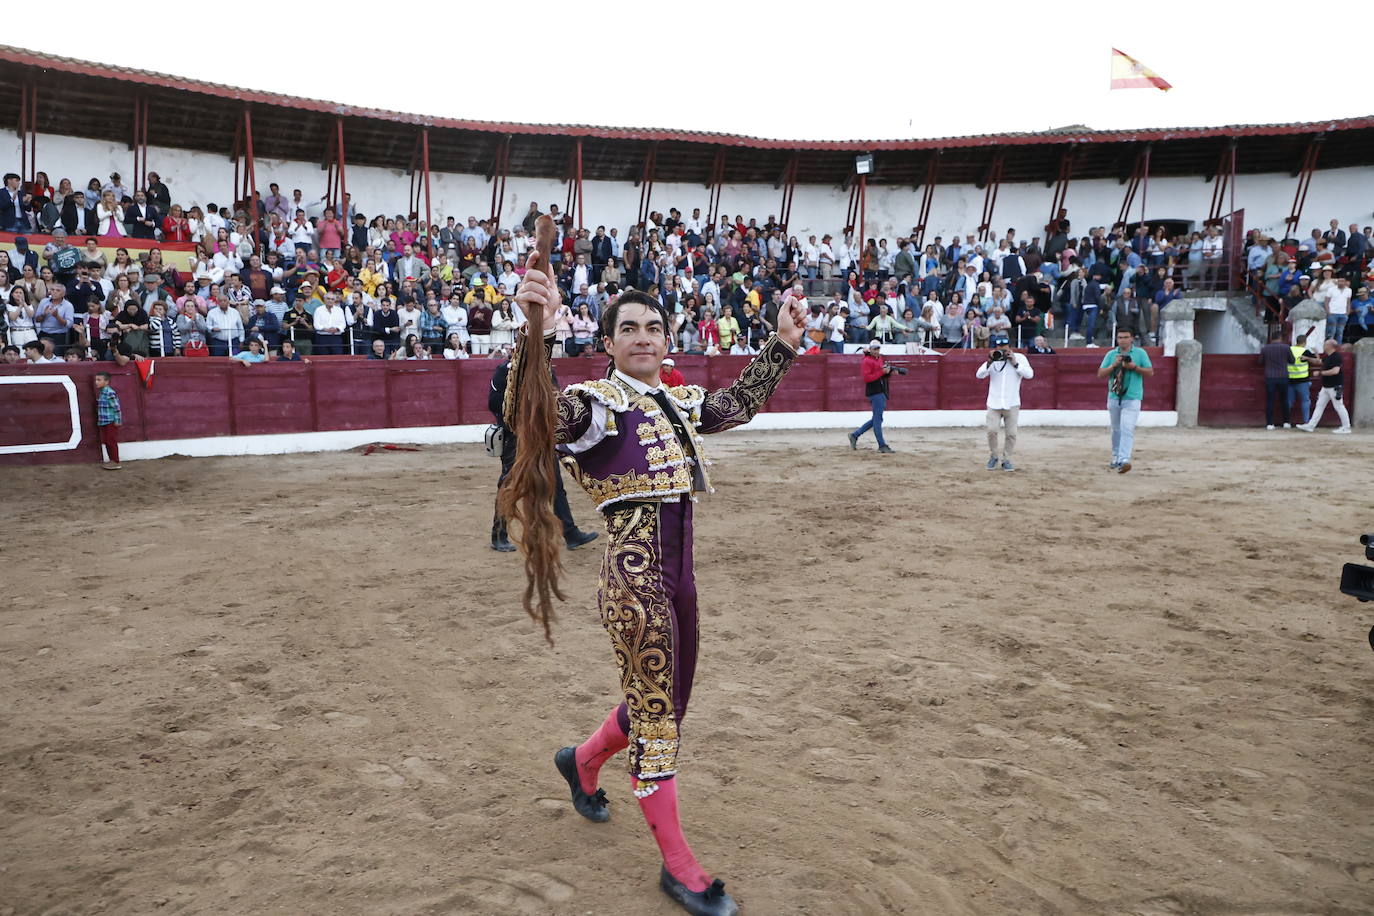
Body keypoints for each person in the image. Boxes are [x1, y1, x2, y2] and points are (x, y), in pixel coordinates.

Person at [501, 243, 805, 915]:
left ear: (668, 340)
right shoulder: (591, 405)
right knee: (659, 721)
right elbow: (537, 415)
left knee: (663, 707)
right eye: (629, 328)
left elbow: (735, 406)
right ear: (606, 342)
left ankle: (581, 760)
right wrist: (538, 337)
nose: (643, 337)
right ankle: (679, 867)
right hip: (635, 581)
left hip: (680, 581)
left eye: (653, 327)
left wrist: (781, 346)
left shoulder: (677, 401)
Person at [487, 357, 598, 553]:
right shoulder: (507, 369)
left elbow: (556, 396)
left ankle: (570, 534)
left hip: (543, 436)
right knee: (509, 484)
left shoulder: (544, 367)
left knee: (555, 484)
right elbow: (494, 403)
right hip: (516, 437)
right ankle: (498, 536)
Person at [1097, 328, 1154, 473]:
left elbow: (1150, 372)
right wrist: (1113, 366)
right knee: (1116, 429)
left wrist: (1133, 367)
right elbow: (1100, 374)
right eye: (1120, 337)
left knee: (1127, 428)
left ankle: (1123, 459)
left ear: (1131, 339)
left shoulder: (1140, 353)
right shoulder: (1111, 354)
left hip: (1133, 396)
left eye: (1125, 337)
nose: (1122, 340)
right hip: (1114, 396)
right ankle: (1116, 457)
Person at [976, 343, 1033, 471]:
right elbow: (979, 375)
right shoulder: (994, 358)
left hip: (1012, 402)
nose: (1002, 351)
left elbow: (1030, 375)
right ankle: (993, 457)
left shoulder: (1019, 358)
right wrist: (989, 362)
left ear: (1010, 348)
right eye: (1000, 348)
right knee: (991, 430)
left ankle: (1007, 459)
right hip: (994, 402)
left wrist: (1015, 363)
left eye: (1005, 348)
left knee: (1011, 434)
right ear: (996, 349)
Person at [847, 339, 896, 454]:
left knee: (877, 418)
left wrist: (888, 372)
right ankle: (881, 445)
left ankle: (855, 435)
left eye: (878, 348)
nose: (877, 351)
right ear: (870, 349)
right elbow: (867, 378)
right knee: (877, 419)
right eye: (874, 349)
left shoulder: (879, 358)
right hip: (874, 391)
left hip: (881, 390)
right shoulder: (867, 361)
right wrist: (882, 372)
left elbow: (881, 374)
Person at [1297, 339, 1352, 434]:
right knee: (1320, 406)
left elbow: (1335, 371)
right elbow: (1319, 361)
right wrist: (1308, 358)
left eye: (1325, 344)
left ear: (1330, 346)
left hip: (1334, 386)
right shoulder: (1330, 357)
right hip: (1327, 386)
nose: (1324, 346)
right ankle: (1311, 425)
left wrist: (1320, 373)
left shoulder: (1336, 357)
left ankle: (1346, 427)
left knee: (1339, 406)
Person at [1258, 328, 1295, 430]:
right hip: (1283, 376)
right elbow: (1292, 361)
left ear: (1271, 339)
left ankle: (1270, 424)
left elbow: (1260, 362)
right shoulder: (1286, 348)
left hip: (1270, 377)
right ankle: (1286, 422)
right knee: (1284, 400)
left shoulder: (1265, 348)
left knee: (1270, 401)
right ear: (1280, 338)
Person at [1286, 333, 1316, 427]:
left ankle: (1286, 422)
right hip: (1302, 380)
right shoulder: (1305, 351)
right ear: (1304, 342)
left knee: (1289, 402)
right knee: (1305, 401)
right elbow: (1316, 361)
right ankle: (1306, 421)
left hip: (1289, 379)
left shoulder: (1289, 349)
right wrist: (1317, 353)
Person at [94, 371, 122, 470]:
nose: (96, 382)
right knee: (107, 441)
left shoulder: (109, 392)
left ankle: (116, 461)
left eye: (99, 380)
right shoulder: (102, 392)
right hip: (104, 421)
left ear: (106, 381)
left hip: (110, 421)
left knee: (111, 441)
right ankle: (112, 460)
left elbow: (116, 407)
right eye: (96, 380)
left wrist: (118, 420)